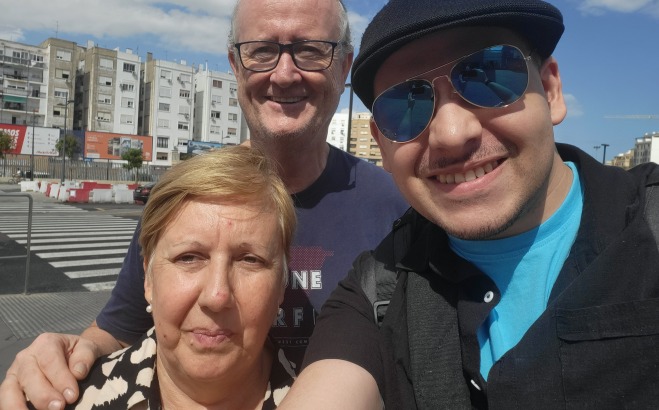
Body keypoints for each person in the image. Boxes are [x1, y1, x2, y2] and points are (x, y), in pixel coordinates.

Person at [0, 0, 408, 409]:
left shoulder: (398, 208)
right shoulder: (186, 199)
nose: (284, 73)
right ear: (235, 64)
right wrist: (62, 359)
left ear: (344, 67)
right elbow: (120, 330)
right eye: (262, 50)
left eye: (311, 50)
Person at [279, 0, 659, 408]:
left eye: (488, 76)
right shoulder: (378, 289)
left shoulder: (648, 229)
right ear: (382, 146)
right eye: (405, 105)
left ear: (550, 91)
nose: (451, 133)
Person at [52, 146, 297, 409]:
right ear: (148, 279)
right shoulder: (69, 400)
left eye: (250, 260)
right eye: (188, 257)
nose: (216, 296)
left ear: (281, 284)